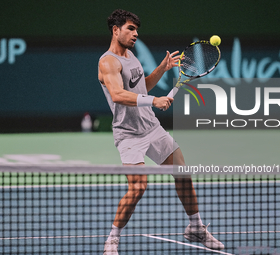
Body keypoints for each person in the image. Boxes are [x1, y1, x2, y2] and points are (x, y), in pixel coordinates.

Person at [98, 9, 224, 254]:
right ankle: (112, 238)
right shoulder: (107, 62)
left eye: (136, 29)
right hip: (128, 134)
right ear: (116, 30)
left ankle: (195, 227)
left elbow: (140, 86)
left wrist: (162, 69)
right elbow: (118, 95)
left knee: (182, 172)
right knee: (138, 188)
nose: (135, 34)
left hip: (151, 127)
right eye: (130, 29)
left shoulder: (130, 55)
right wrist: (154, 101)